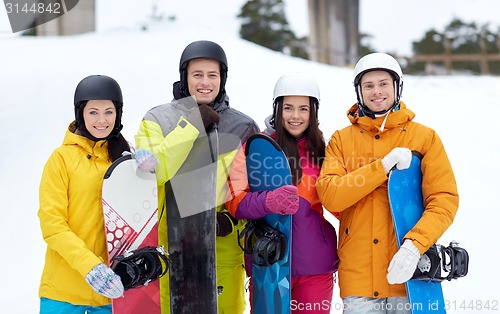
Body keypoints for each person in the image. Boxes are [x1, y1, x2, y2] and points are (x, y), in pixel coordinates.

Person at [316, 53, 459, 313]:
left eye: (383, 83)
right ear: (359, 91)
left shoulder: (424, 138)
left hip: (410, 274)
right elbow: (331, 195)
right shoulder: (341, 140)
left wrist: (414, 246)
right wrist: (381, 167)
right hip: (358, 279)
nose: (376, 91)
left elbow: (444, 200)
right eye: (368, 85)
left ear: (397, 87)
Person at [135, 40, 260, 313]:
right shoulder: (157, 119)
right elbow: (156, 173)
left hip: (224, 254)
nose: (205, 82)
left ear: (222, 79)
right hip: (172, 252)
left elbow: (249, 190)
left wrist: (229, 218)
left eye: (212, 75)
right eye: (197, 75)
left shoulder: (244, 126)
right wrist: (191, 124)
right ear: (185, 77)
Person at [225, 73, 339, 314]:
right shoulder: (256, 148)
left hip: (315, 268)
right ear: (277, 109)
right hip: (269, 262)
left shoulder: (325, 152)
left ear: (313, 112)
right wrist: (268, 201)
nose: (295, 116)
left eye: (303, 109)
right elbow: (234, 202)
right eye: (288, 108)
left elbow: (340, 205)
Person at [38, 75, 131, 313]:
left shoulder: (123, 160)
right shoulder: (61, 159)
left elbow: (143, 216)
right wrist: (91, 267)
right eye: (93, 112)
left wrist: (146, 174)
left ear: (118, 114)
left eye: (109, 112)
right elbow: (53, 226)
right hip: (63, 293)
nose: (102, 120)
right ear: (80, 113)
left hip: (111, 293)